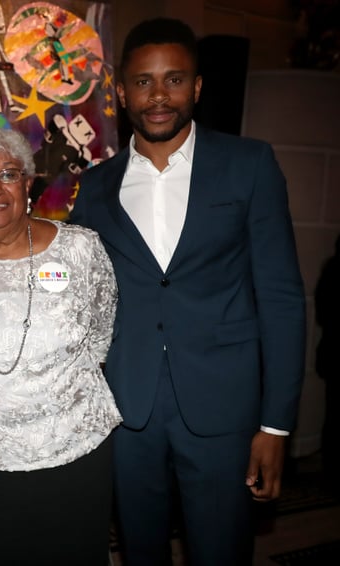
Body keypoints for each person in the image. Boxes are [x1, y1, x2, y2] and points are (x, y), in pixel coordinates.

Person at [70, 18, 306, 565]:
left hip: (223, 406)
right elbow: (80, 300)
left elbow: (282, 298)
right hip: (127, 408)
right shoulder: (96, 187)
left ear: (196, 88)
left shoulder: (249, 165)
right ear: (121, 91)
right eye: (143, 82)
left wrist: (276, 423)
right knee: (139, 550)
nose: (158, 96)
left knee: (221, 550)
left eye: (174, 80)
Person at [0, 126, 121, 564]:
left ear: (28, 183)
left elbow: (101, 335)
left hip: (75, 456)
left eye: (8, 173)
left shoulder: (80, 249)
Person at [316, 235, 340, 483]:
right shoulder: (333, 270)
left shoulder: (330, 269)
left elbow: (322, 314)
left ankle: (330, 471)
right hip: (334, 354)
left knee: (332, 415)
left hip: (331, 353)